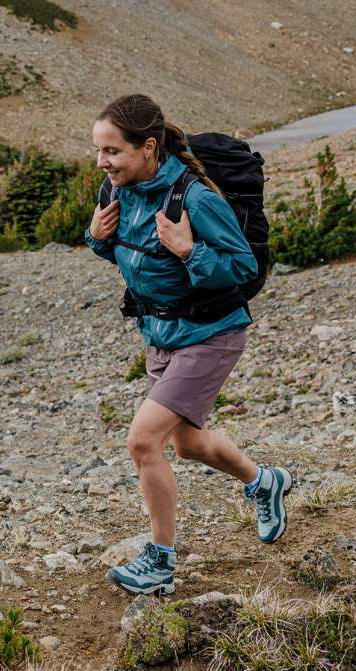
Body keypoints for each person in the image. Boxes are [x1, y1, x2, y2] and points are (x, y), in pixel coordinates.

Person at [83, 94, 290, 596]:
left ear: (148, 147)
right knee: (188, 443)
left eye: (112, 152)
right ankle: (264, 482)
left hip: (211, 334)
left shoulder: (194, 197)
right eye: (98, 151)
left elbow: (242, 269)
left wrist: (190, 249)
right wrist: (96, 238)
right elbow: (135, 258)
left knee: (142, 441)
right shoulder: (120, 191)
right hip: (162, 334)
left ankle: (160, 561)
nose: (102, 162)